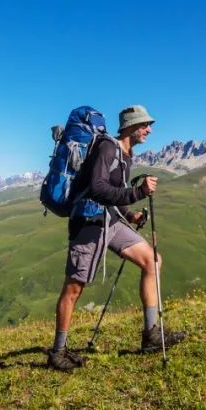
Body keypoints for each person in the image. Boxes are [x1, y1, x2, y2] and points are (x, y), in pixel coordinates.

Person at [48, 104, 186, 371]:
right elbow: (97, 188)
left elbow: (115, 192)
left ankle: (151, 335)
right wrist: (137, 194)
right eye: (146, 125)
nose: (149, 130)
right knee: (74, 288)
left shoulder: (126, 154)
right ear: (131, 126)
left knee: (152, 260)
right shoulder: (107, 148)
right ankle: (57, 352)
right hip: (88, 222)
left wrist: (130, 215)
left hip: (110, 221)